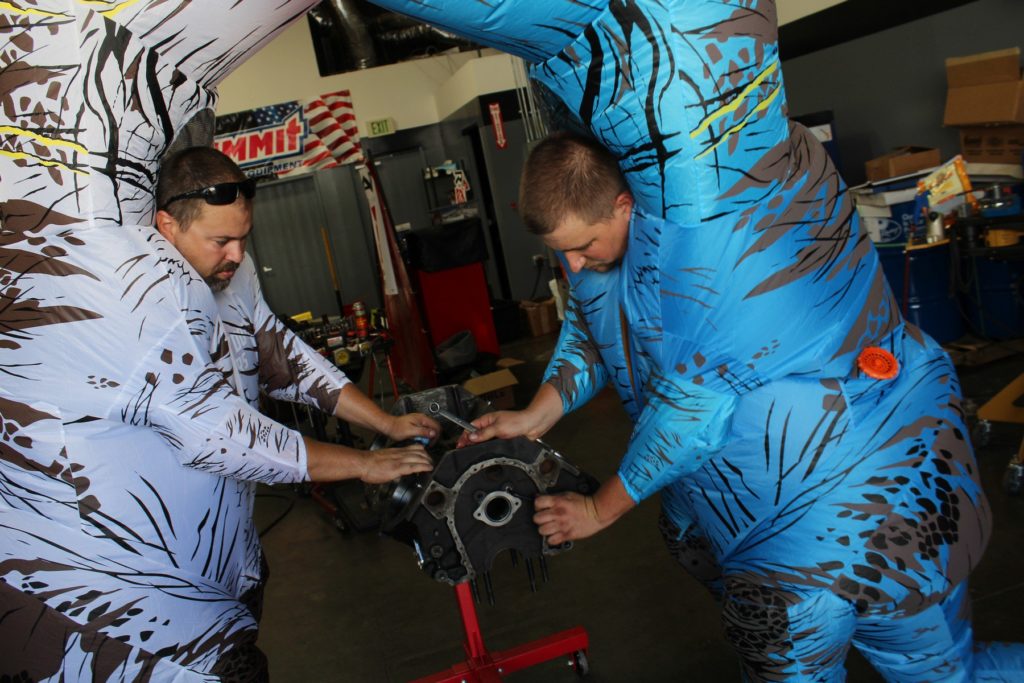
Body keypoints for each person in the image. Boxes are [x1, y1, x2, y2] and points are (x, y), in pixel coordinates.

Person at [464, 131, 1024, 681]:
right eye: (562, 253)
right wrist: (538, 412)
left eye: (583, 246)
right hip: (759, 534)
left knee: (938, 670)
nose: (577, 265)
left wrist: (597, 510)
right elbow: (598, 328)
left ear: (624, 206)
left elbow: (691, 416)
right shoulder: (606, 261)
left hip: (864, 515)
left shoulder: (708, 257)